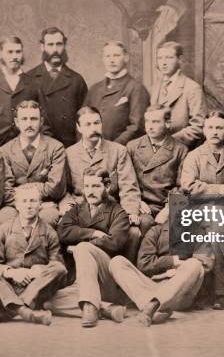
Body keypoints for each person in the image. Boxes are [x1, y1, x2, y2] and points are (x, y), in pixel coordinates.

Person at [180, 110, 224, 309]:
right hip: (198, 210)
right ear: (203, 130)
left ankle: (210, 292)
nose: (214, 132)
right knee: (217, 218)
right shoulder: (194, 156)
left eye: (219, 128)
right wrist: (222, 188)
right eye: (210, 127)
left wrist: (212, 190)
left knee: (216, 227)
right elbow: (188, 187)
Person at [45, 168, 129, 327]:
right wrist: (93, 233)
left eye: (96, 187)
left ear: (107, 187)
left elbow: (115, 241)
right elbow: (62, 231)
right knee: (48, 303)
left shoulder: (117, 212)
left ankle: (91, 306)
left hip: (106, 277)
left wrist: (80, 247)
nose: (90, 191)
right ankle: (107, 308)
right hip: (80, 281)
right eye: (87, 186)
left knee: (83, 248)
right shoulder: (76, 210)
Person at [0, 184, 66, 325]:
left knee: (59, 269)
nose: (28, 206)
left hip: (36, 287)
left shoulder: (49, 232)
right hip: (8, 286)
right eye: (24, 201)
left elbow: (58, 265)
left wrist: (37, 271)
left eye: (33, 201)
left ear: (40, 204)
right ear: (16, 205)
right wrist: (11, 273)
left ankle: (9, 311)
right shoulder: (2, 230)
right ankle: (25, 311)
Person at [62, 106, 142, 260]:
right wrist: (68, 205)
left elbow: (128, 187)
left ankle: (123, 273)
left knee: (133, 232)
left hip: (111, 209)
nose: (93, 128)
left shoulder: (118, 151)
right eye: (88, 125)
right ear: (78, 128)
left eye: (96, 123)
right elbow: (64, 189)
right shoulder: (69, 154)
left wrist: (131, 211)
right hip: (82, 211)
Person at [109, 220, 214, 326]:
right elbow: (144, 263)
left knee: (195, 264)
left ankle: (153, 305)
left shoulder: (199, 232)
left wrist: (178, 271)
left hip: (179, 293)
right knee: (117, 262)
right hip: (153, 286)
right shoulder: (155, 231)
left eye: (183, 203)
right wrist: (173, 262)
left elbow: (204, 263)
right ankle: (153, 307)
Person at [0, 100, 66, 228]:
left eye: (34, 119)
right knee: (4, 218)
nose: (29, 124)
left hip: (46, 205)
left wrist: (29, 197)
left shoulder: (56, 148)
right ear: (17, 122)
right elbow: (5, 190)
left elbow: (56, 188)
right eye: (24, 119)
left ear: (41, 121)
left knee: (48, 219)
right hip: (14, 205)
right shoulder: (4, 151)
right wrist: (26, 203)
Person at [126, 104, 188, 235]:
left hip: (166, 204)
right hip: (142, 203)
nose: (150, 126)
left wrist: (167, 209)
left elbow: (182, 186)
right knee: (140, 225)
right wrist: (136, 202)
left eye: (155, 121)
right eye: (147, 121)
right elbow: (127, 181)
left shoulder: (180, 149)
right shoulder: (132, 147)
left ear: (167, 123)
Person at [0, 36, 41, 148]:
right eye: (10, 52)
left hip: (24, 150)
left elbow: (43, 122)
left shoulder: (34, 84)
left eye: (18, 52)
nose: (14, 56)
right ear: (0, 54)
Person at [27, 27, 88, 147]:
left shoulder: (76, 80)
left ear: (64, 46)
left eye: (59, 44)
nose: (55, 49)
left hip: (70, 146)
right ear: (42, 47)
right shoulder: (29, 78)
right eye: (50, 44)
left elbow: (85, 118)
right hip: (40, 145)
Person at [85, 40, 150, 145]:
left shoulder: (136, 88)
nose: (112, 60)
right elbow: (82, 121)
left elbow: (137, 127)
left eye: (116, 55)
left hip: (121, 150)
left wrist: (114, 148)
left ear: (126, 58)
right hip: (93, 150)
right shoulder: (94, 89)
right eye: (108, 56)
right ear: (103, 59)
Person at [151, 41, 207, 148]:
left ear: (180, 59)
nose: (163, 62)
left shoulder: (192, 88)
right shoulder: (154, 87)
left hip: (180, 149)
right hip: (156, 149)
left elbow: (198, 126)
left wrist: (168, 143)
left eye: (169, 57)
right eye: (160, 58)